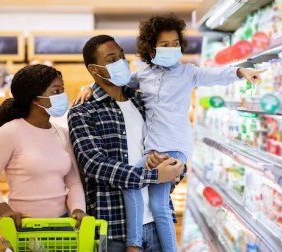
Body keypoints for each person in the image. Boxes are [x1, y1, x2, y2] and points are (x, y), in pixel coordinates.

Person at [73, 14, 266, 252]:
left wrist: (240, 71)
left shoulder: (179, 77)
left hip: (173, 151)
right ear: (150, 48)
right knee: (153, 199)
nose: (172, 49)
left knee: (159, 205)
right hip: (120, 218)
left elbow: (212, 75)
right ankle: (135, 244)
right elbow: (95, 162)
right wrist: (87, 87)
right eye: (164, 45)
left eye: (176, 44)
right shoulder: (136, 83)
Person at [68, 35, 185, 252]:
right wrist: (155, 176)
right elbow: (95, 165)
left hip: (158, 223)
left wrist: (175, 170)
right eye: (111, 59)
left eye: (122, 56)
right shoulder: (83, 111)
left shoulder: (143, 101)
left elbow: (170, 139)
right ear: (94, 69)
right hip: (115, 228)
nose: (121, 63)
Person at [0, 64, 86, 229]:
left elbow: (74, 183)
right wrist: (4, 210)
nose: (62, 96)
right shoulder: (9, 133)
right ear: (34, 98)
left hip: (63, 225)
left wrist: (78, 209)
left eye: (62, 90)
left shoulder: (63, 134)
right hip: (24, 225)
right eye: (56, 92)